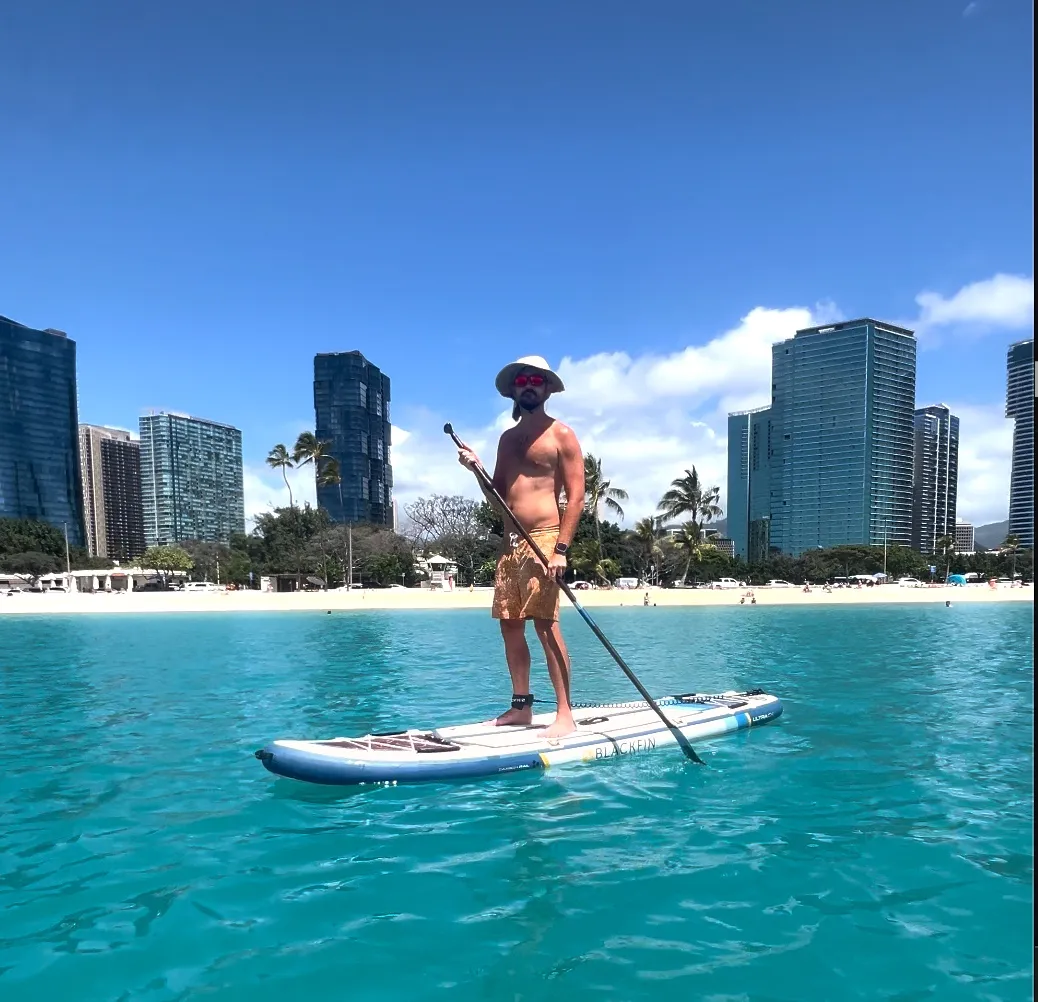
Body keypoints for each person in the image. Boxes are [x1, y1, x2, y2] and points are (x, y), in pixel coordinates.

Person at [456, 355, 585, 739]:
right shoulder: (507, 439)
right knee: (510, 628)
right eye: (522, 380)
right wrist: (476, 469)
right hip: (510, 543)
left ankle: (565, 714)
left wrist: (561, 548)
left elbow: (576, 497)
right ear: (514, 389)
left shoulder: (561, 434)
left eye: (536, 380)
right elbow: (497, 497)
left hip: (545, 539)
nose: (529, 385)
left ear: (546, 389)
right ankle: (521, 708)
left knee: (546, 627)